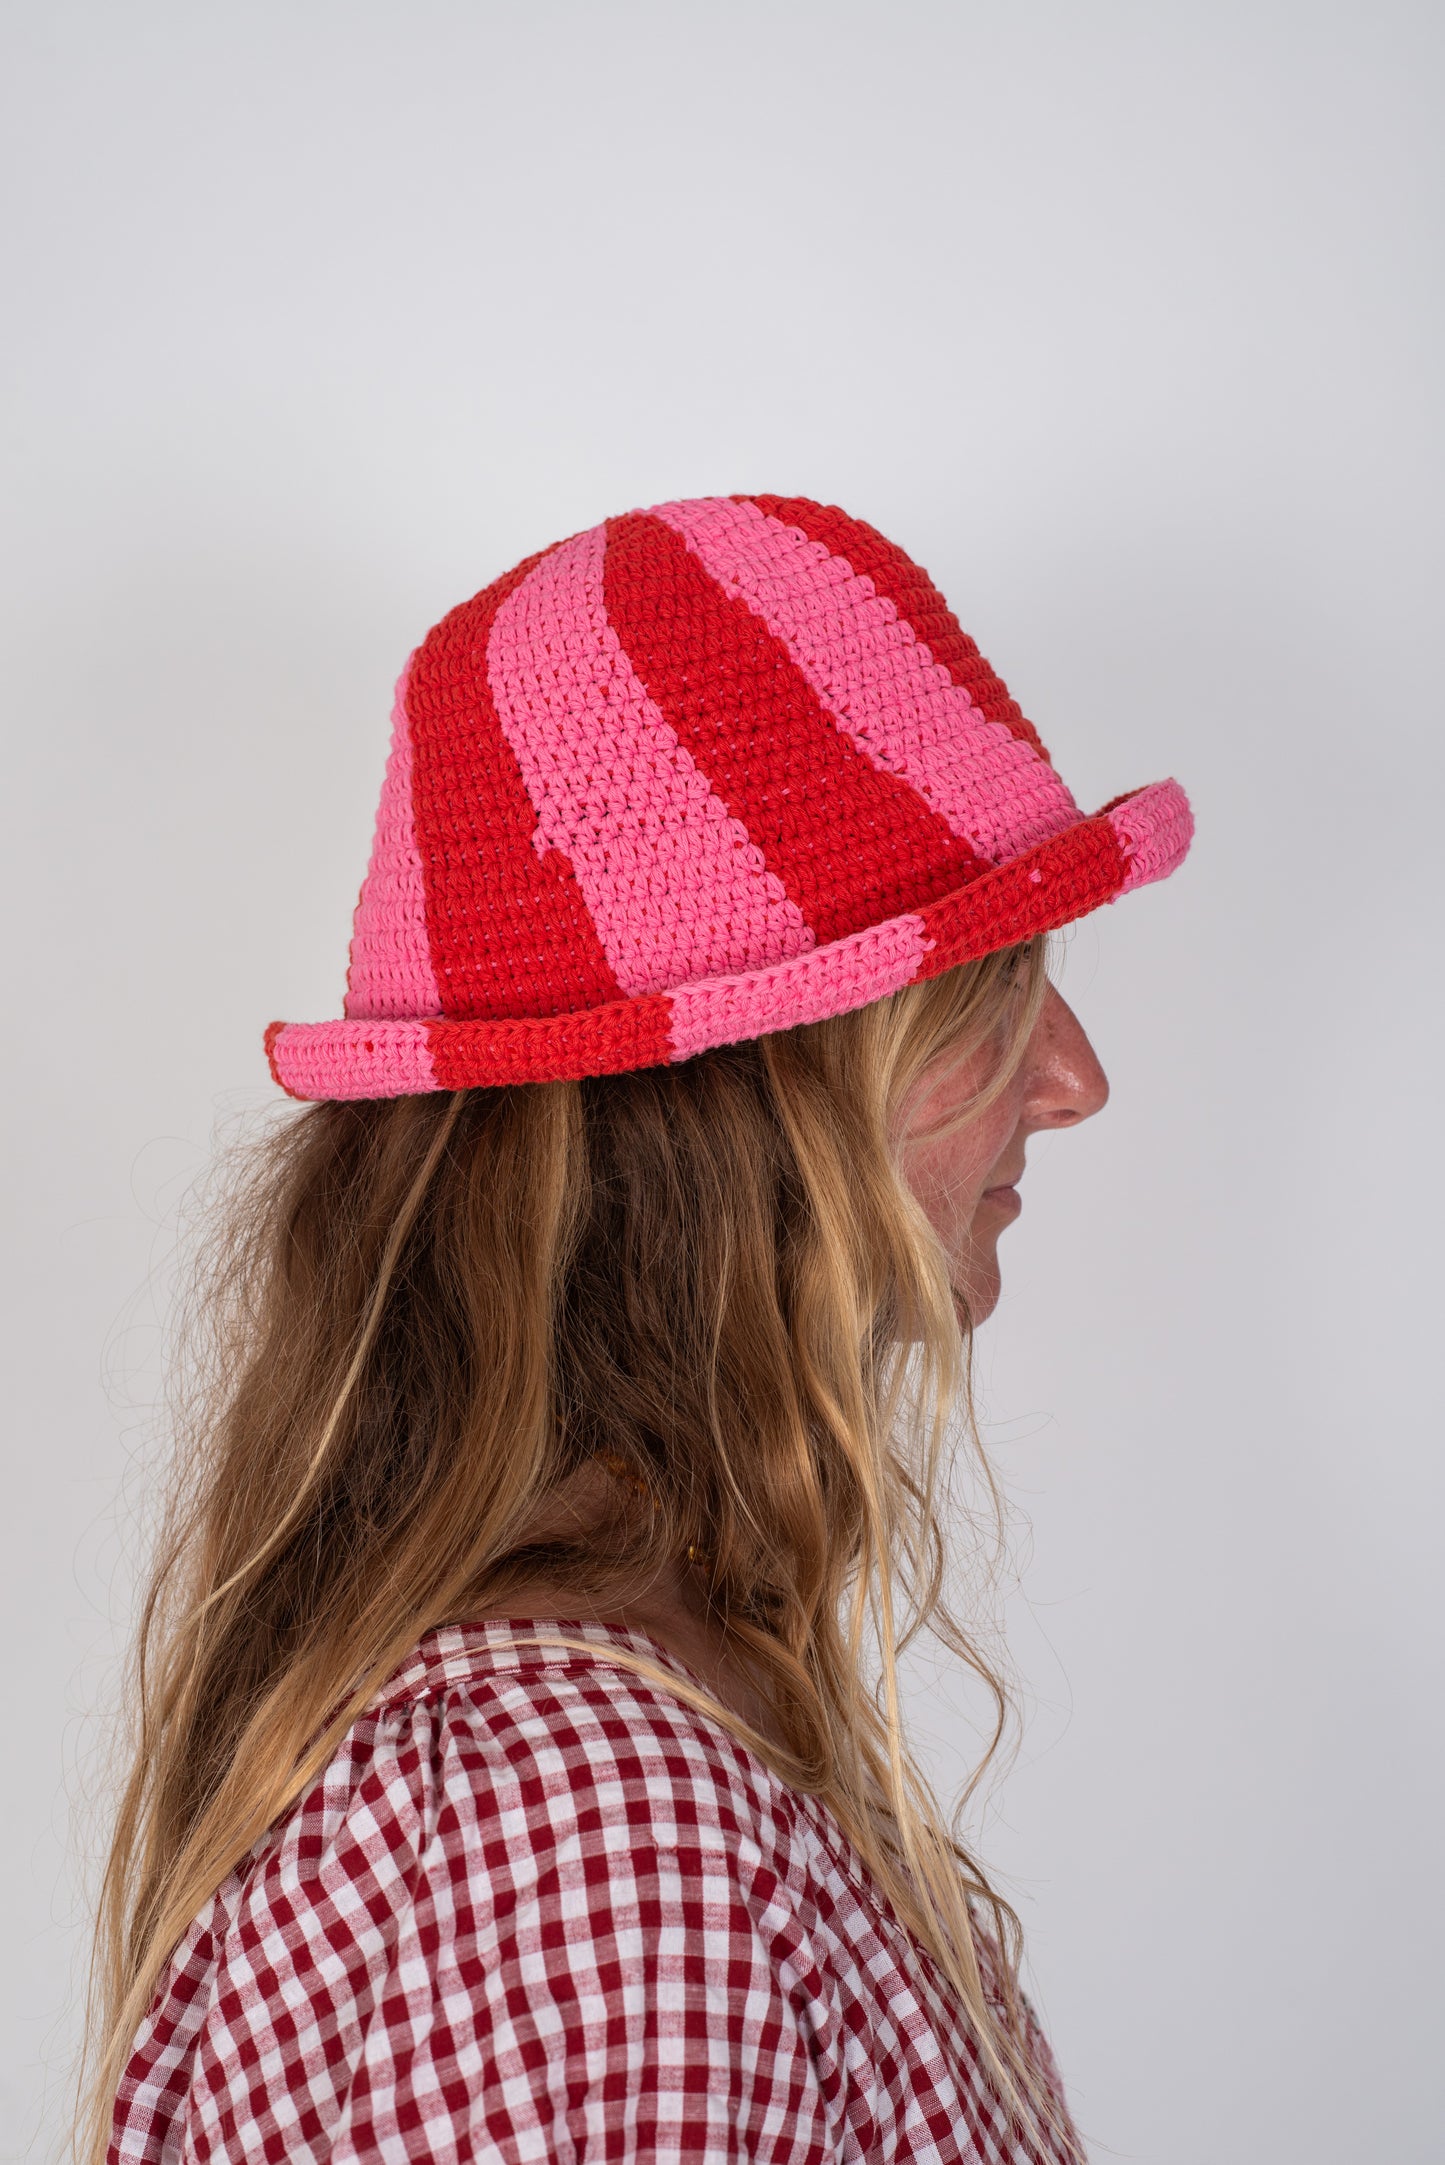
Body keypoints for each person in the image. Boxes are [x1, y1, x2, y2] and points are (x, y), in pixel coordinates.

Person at [90, 494, 1192, 2164]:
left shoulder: (603, 1778)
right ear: (743, 1101)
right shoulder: (587, 1828)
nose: (1075, 1078)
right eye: (984, 996)